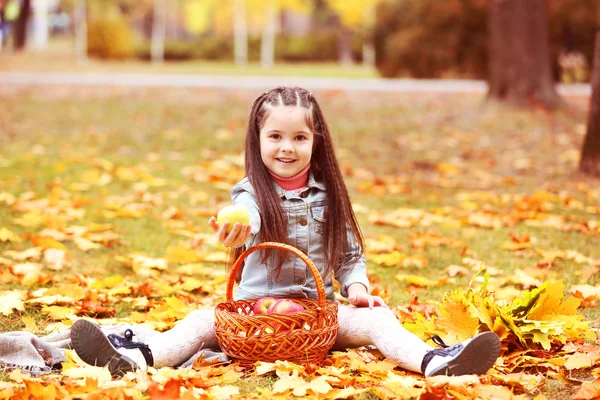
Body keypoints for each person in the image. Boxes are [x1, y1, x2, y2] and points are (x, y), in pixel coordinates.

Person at [71, 86, 501, 377]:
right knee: (200, 323)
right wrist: (235, 230)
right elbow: (247, 217)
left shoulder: (330, 196)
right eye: (275, 136)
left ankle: (433, 363)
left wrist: (357, 288)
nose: (286, 148)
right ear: (257, 140)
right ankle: (136, 358)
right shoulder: (251, 193)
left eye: (299, 137)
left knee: (378, 319)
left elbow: (349, 256)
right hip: (256, 319)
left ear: (316, 141)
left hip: (318, 318)